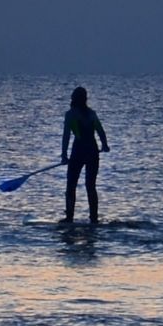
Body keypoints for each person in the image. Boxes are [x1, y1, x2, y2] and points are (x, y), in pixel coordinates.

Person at [60, 85, 109, 225]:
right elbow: (101, 131)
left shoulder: (70, 114)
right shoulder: (92, 113)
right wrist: (104, 145)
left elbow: (66, 136)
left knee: (71, 184)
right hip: (92, 151)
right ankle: (94, 219)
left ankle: (69, 217)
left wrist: (64, 155)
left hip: (79, 152)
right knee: (90, 186)